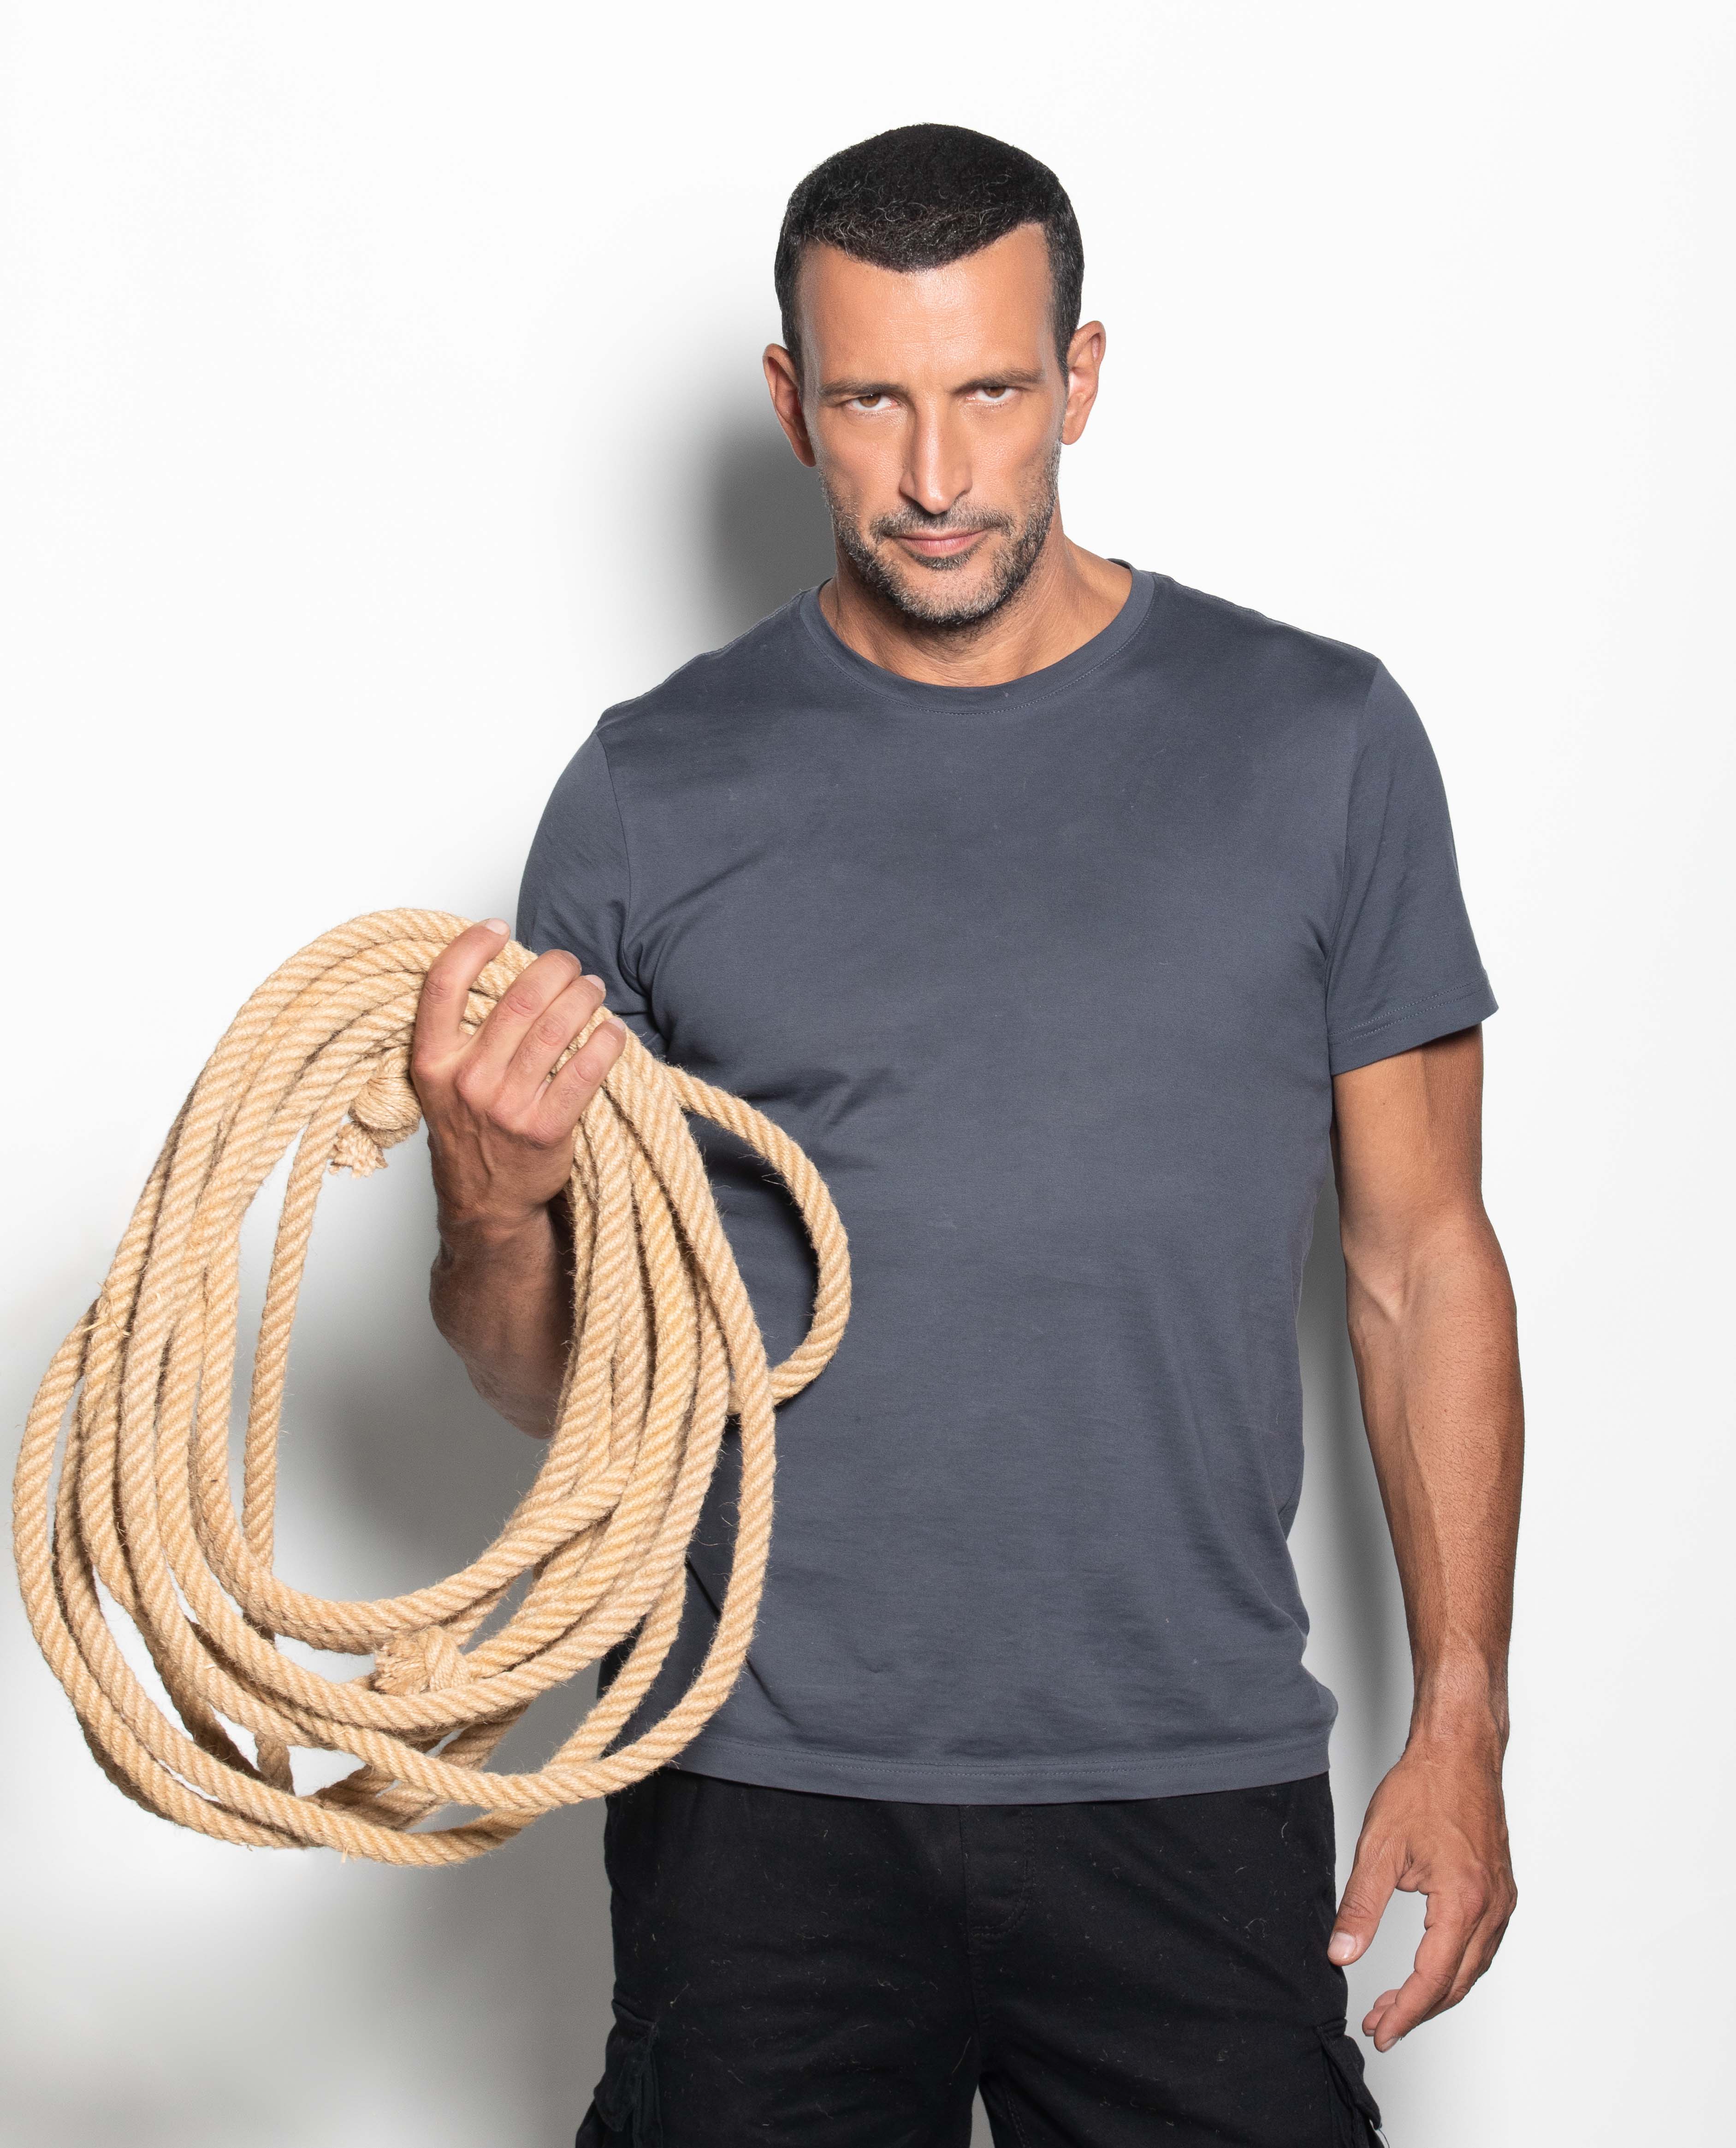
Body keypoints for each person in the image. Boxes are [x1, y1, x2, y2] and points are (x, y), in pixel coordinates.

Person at [414, 123, 1521, 2148]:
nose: (938, 475)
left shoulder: (1322, 744)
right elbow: (553, 1383)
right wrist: (492, 1214)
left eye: (992, 392)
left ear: (1079, 378)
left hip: (1183, 1775)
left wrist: (1462, 1719)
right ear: (792, 405)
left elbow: (1422, 1261)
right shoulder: (648, 793)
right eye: (873, 404)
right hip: (756, 1792)